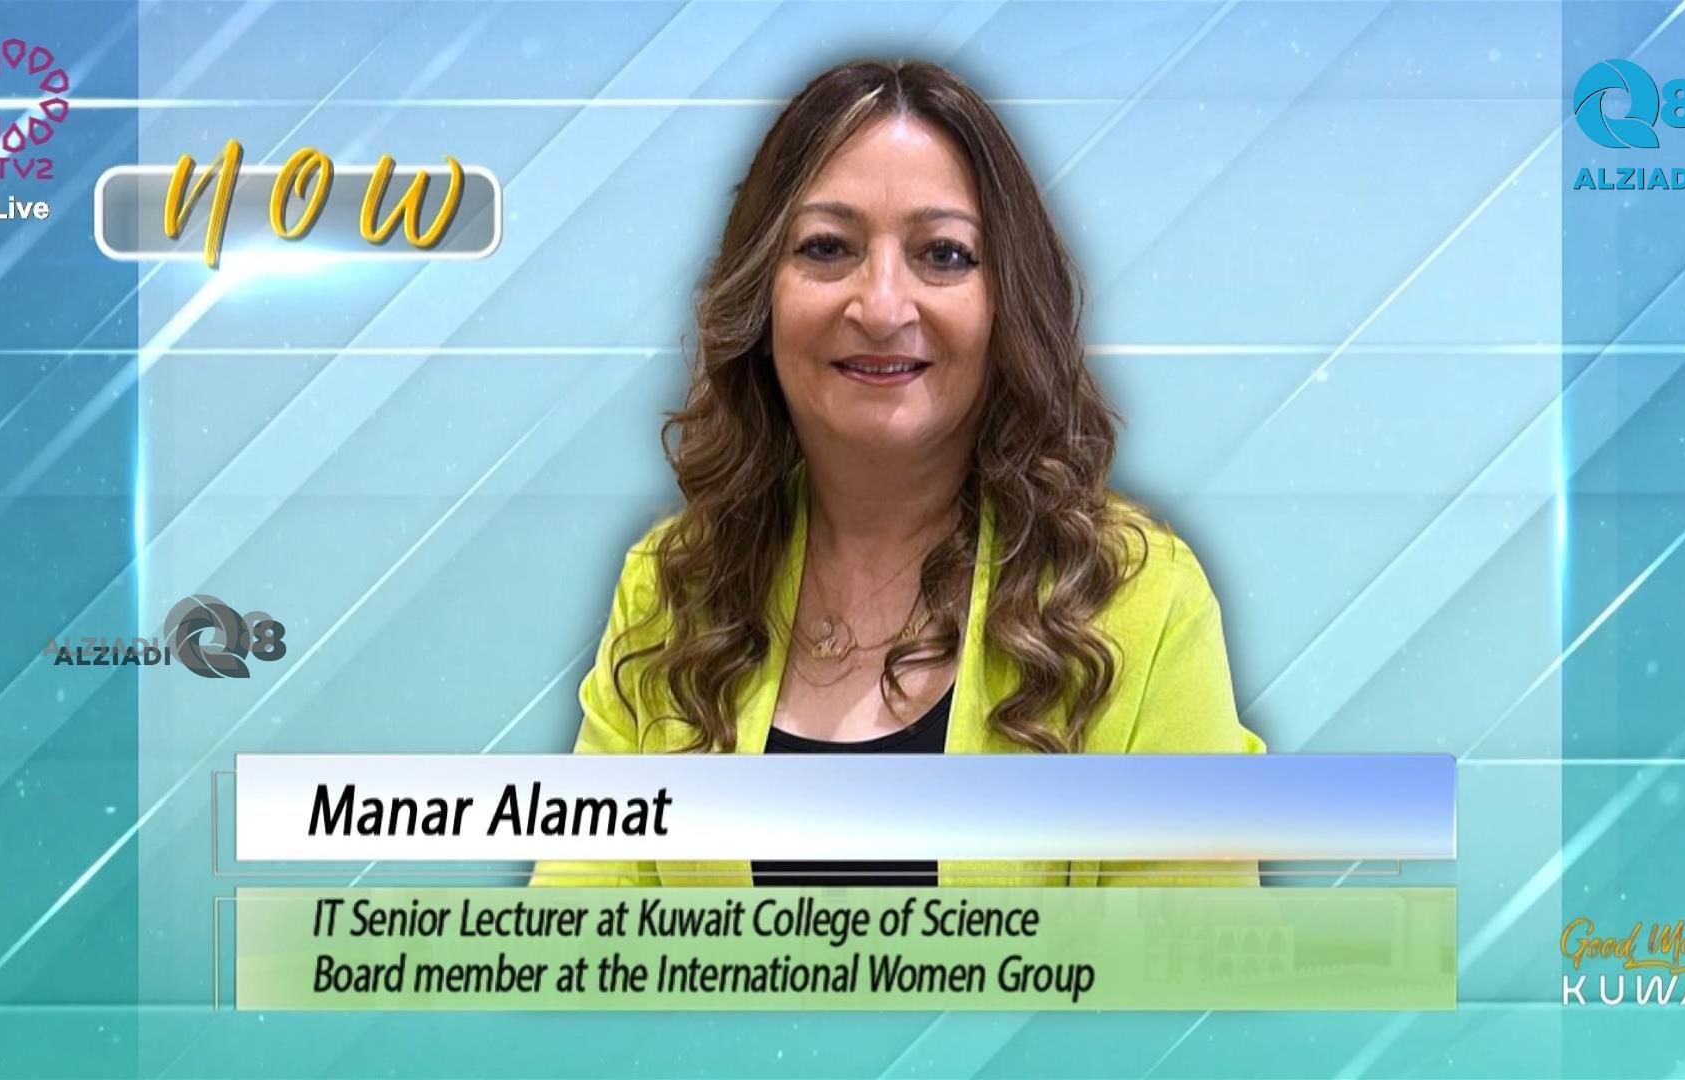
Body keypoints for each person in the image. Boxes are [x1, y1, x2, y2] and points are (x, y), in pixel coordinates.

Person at [532, 58, 1264, 889]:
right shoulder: (671, 588)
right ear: (760, 298)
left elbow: (1187, 969)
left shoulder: (1140, 599)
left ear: (1008, 303)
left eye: (943, 254)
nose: (882, 307)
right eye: (827, 248)